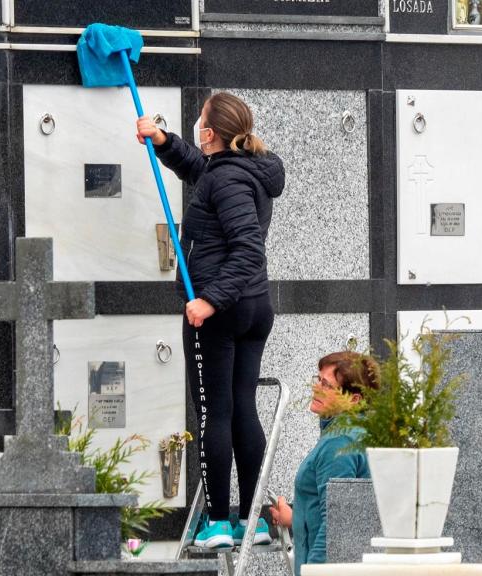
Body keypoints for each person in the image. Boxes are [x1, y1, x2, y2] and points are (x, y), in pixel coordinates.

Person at [136, 92, 285, 549]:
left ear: (212, 133)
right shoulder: (237, 172)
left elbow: (246, 249)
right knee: (241, 408)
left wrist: (208, 302)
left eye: (199, 122)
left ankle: (220, 521)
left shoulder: (227, 181)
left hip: (221, 311)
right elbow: (197, 170)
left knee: (215, 413)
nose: (196, 129)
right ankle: (253, 518)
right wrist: (163, 141)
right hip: (252, 308)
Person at [270, 352, 377, 575]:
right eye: (318, 380)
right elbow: (339, 509)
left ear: (354, 400)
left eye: (327, 385)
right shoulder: (353, 433)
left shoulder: (340, 441)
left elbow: (335, 528)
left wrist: (315, 572)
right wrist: (294, 518)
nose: (317, 388)